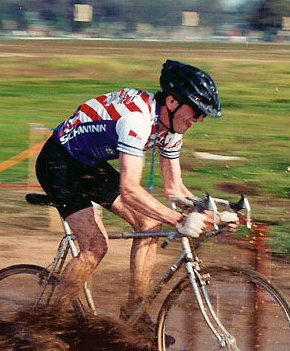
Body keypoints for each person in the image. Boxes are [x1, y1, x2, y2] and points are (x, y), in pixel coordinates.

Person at [36, 60, 226, 323]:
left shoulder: (170, 127)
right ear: (172, 102)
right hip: (58, 163)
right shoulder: (136, 120)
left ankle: (133, 313)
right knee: (95, 246)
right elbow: (129, 190)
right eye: (197, 112)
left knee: (148, 222)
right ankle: (48, 323)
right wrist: (180, 220)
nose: (200, 119)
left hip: (88, 164)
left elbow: (174, 189)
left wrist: (211, 214)